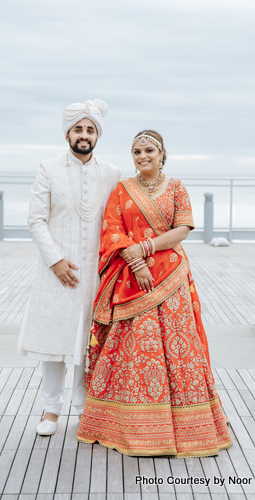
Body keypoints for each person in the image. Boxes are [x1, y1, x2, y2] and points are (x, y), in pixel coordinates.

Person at [77, 130, 232, 457]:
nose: (142, 155)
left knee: (180, 350)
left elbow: (182, 230)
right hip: (133, 282)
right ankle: (131, 425)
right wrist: (136, 262)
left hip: (171, 276)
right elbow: (112, 232)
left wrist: (145, 247)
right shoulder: (122, 190)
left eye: (149, 150)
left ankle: (188, 426)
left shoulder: (176, 187)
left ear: (162, 154)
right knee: (137, 349)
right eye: (136, 151)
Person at [17, 99, 121, 436]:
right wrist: (56, 261)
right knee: (54, 342)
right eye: (78, 129)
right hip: (56, 272)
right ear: (68, 135)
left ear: (97, 136)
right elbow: (35, 220)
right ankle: (51, 411)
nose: (84, 135)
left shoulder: (111, 174)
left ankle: (84, 410)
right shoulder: (48, 168)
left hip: (94, 271)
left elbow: (116, 221)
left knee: (84, 342)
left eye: (90, 130)